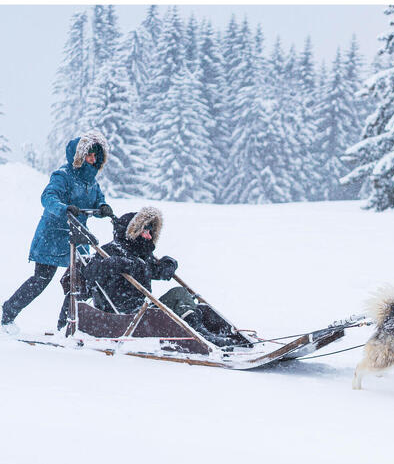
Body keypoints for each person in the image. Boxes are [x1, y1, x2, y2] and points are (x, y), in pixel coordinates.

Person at [1, 130, 113, 334]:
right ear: (79, 156)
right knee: (41, 280)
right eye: (89, 155)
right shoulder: (63, 176)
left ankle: (66, 325)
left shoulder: (92, 182)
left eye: (96, 156)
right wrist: (64, 208)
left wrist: (103, 207)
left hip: (78, 236)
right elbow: (48, 197)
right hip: (53, 235)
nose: (92, 159)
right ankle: (7, 313)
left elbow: (98, 200)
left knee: (80, 281)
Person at [81, 206, 232, 347]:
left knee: (181, 296)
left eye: (151, 231)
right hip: (123, 315)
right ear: (133, 231)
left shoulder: (141, 254)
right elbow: (89, 272)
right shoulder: (109, 251)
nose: (148, 235)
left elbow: (157, 270)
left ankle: (211, 332)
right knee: (178, 296)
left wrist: (169, 265)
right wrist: (115, 263)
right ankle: (200, 336)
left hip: (141, 310)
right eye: (145, 230)